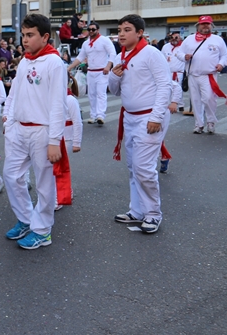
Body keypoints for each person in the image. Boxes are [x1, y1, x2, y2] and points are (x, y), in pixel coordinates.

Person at [2, 14, 67, 250]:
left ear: (45, 36)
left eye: (30, 35)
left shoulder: (54, 63)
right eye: (23, 35)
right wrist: (8, 121)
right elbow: (14, 93)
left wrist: (54, 140)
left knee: (43, 183)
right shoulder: (25, 61)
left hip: (42, 131)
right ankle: (26, 219)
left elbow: (58, 104)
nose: (24, 40)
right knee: (11, 176)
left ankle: (42, 230)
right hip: (19, 129)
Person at [108, 14, 171, 235]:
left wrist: (156, 117)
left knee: (144, 168)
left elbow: (165, 86)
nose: (121, 34)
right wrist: (115, 77)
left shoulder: (152, 53)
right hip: (130, 117)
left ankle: (153, 213)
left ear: (140, 33)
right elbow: (114, 91)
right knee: (133, 167)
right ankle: (137, 211)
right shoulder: (120, 57)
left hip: (149, 118)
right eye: (119, 30)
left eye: (127, 30)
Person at [174, 15, 227, 134]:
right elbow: (178, 52)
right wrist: (184, 57)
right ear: (198, 25)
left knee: (209, 99)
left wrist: (221, 64)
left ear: (211, 26)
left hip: (209, 75)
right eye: (203, 24)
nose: (205, 26)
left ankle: (211, 121)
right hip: (193, 75)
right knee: (196, 100)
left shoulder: (217, 39)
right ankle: (199, 124)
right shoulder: (189, 39)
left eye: (207, 24)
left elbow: (225, 55)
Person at [67, 23, 116, 125]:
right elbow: (80, 57)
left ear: (98, 30)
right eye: (89, 29)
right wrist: (69, 67)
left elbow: (112, 53)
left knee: (101, 93)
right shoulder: (86, 43)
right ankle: (93, 115)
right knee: (91, 94)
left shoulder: (104, 40)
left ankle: (100, 115)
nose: (91, 31)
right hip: (91, 71)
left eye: (93, 29)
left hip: (102, 71)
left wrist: (108, 66)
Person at [54, 73, 83, 211]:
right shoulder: (52, 98)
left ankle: (59, 196)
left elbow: (78, 122)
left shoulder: (70, 100)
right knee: (53, 167)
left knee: (58, 167)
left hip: (67, 138)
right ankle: (65, 191)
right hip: (54, 137)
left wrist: (77, 142)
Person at [161, 32, 184, 113]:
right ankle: (169, 104)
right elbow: (162, 58)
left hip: (179, 72)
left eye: (176, 37)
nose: (174, 39)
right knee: (169, 88)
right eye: (172, 37)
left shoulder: (183, 47)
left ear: (180, 38)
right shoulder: (165, 47)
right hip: (168, 72)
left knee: (178, 88)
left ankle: (180, 105)